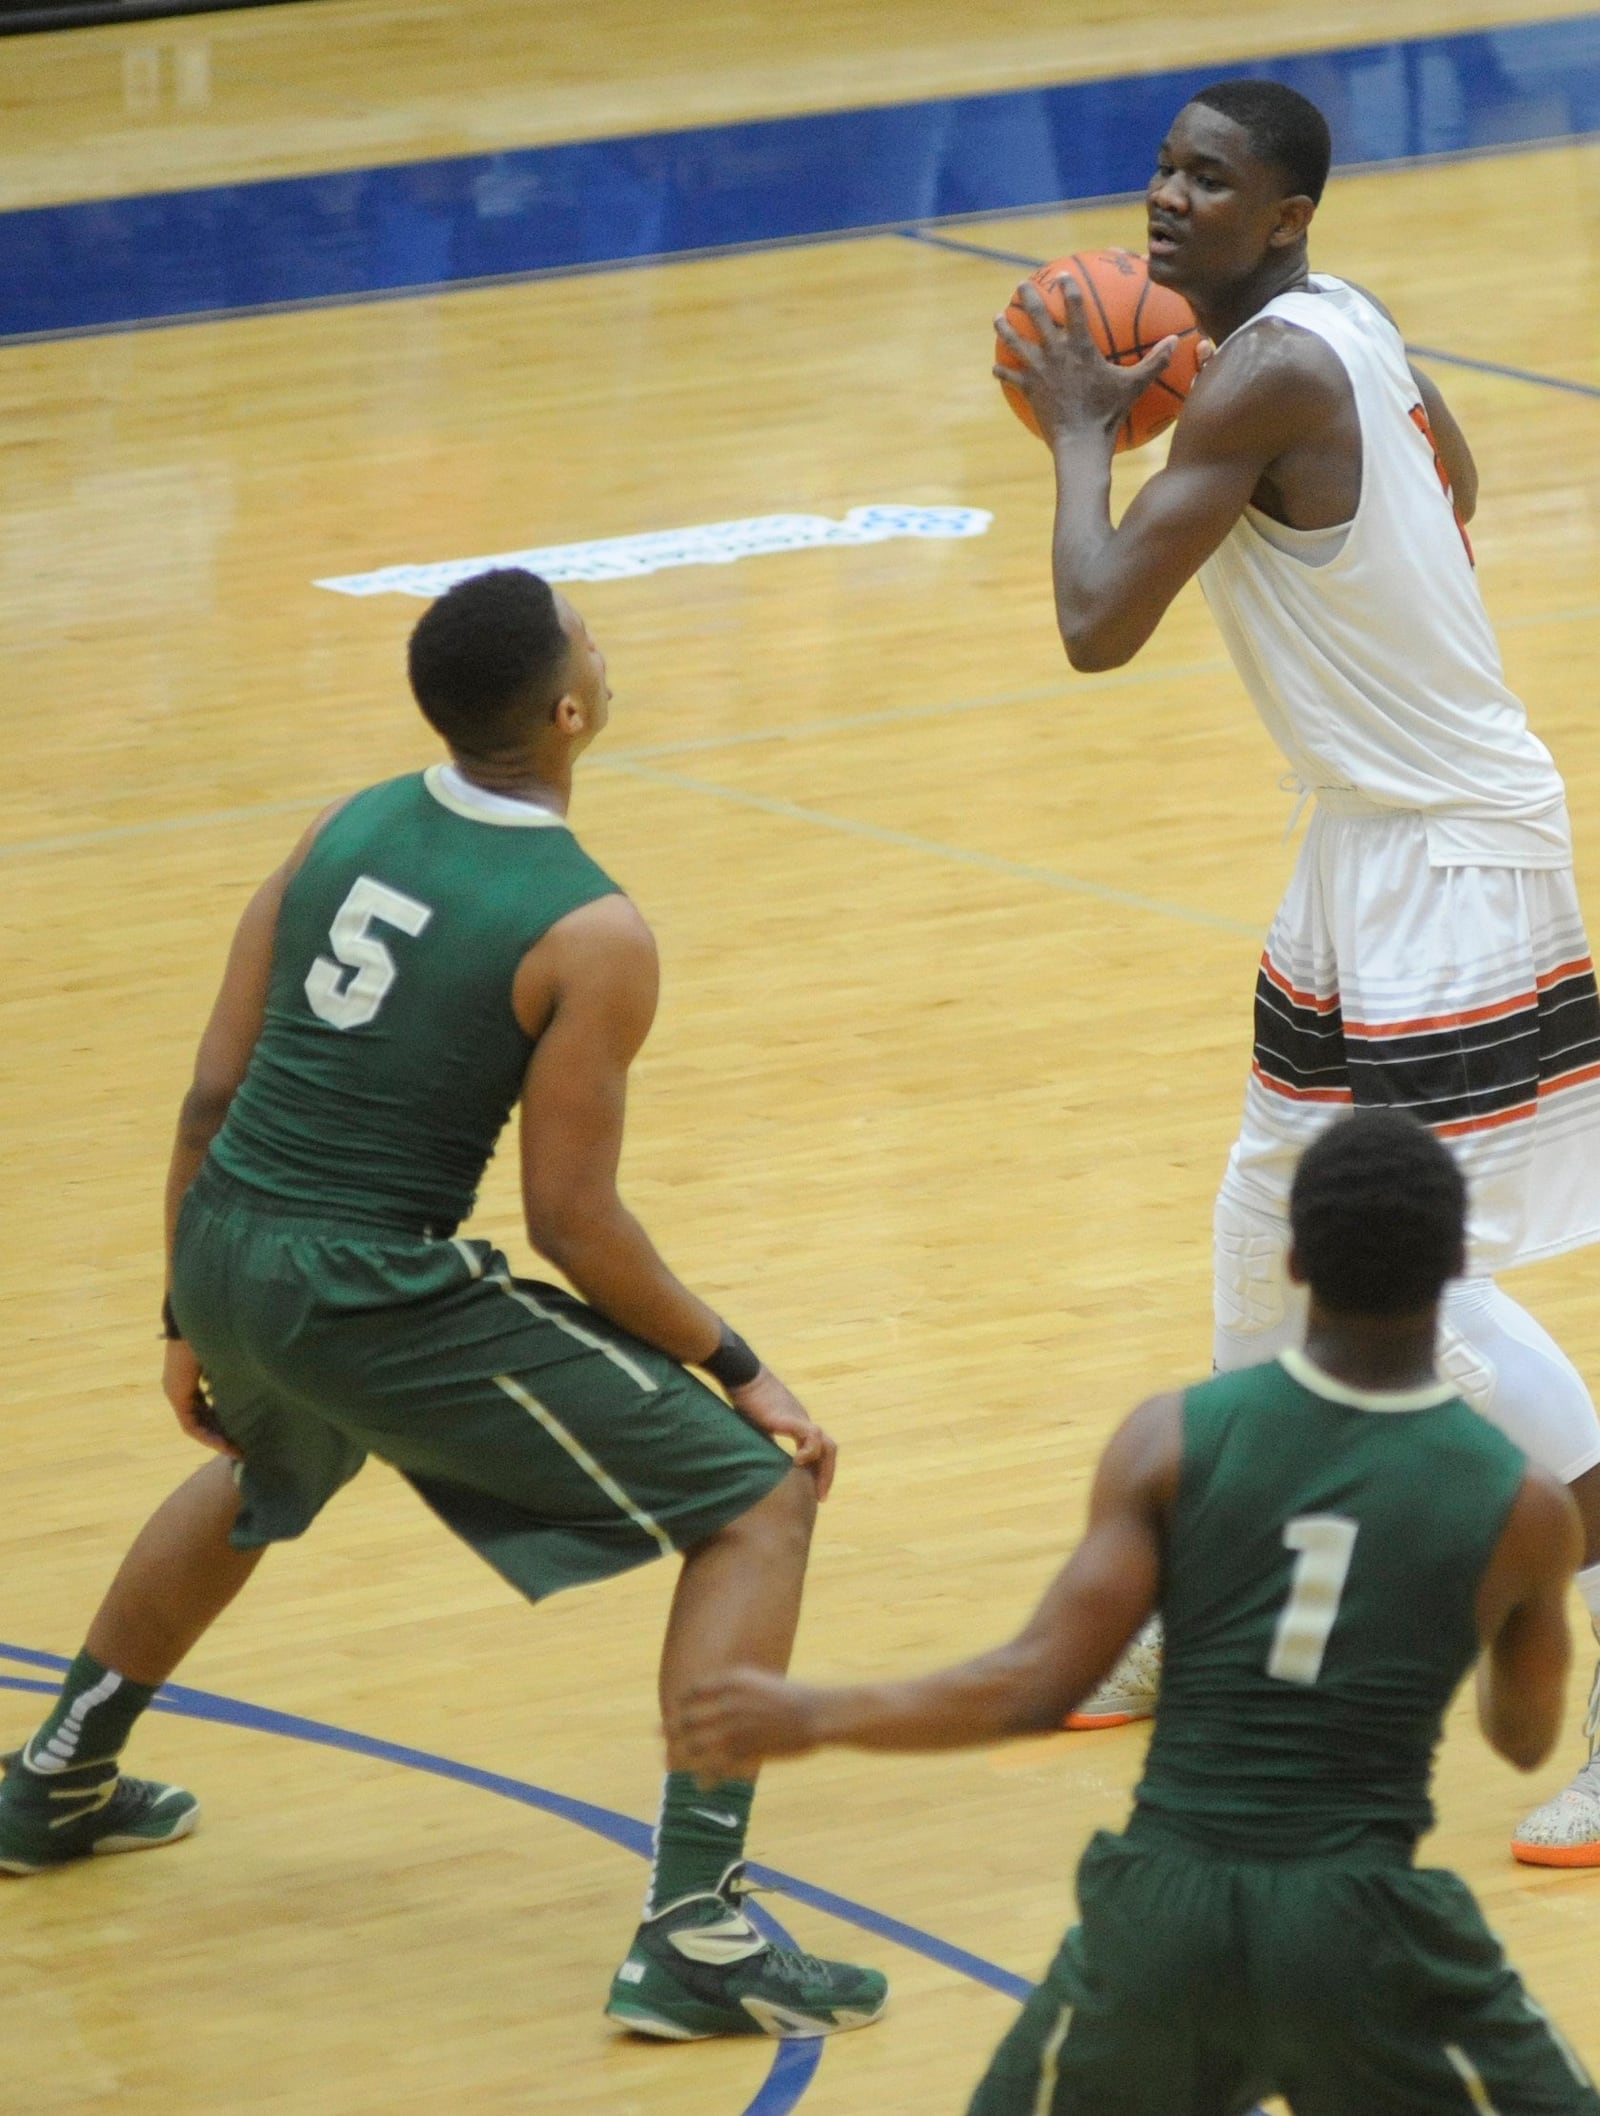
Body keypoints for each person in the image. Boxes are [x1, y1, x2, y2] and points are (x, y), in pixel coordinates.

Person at [0, 567, 887, 2045]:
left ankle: (52, 1781)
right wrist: (744, 1367)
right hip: (361, 1280)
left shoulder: (342, 823)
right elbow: (572, 1221)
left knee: (266, 1464)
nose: (606, 653)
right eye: (591, 643)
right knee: (757, 1500)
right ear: (566, 710)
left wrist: (184, 1306)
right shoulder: (591, 928)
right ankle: (697, 1932)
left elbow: (213, 1087)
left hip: (226, 1239)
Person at [993, 76, 1600, 1857]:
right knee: (1267, 1226)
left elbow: (1099, 626)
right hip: (1363, 840)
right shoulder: (1338, 334)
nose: (1169, 199)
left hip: (1449, 856)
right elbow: (1456, 478)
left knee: (1429, 1297)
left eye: (1213, 181)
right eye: (1166, 170)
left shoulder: (1266, 367)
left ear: (1286, 218)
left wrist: (1089, 430)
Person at [673, 1110, 1600, 2113]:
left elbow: (1032, 1685)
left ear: (1291, 1260)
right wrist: (1498, 1626)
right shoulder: (1521, 1507)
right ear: (1456, 1266)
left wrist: (813, 1713)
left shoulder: (1170, 1440)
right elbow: (1519, 1737)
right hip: (1362, 1925)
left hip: (1164, 1921)